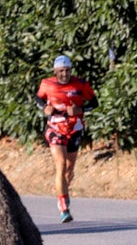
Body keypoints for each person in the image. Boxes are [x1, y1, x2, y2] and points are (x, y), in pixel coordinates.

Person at [35, 55, 97, 223]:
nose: (65, 74)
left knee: (69, 169)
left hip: (75, 128)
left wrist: (80, 109)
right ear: (55, 72)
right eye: (61, 71)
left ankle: (62, 192)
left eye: (67, 70)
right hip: (55, 128)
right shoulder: (47, 84)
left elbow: (94, 102)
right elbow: (38, 98)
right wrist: (45, 108)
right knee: (61, 165)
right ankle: (64, 208)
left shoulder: (80, 84)